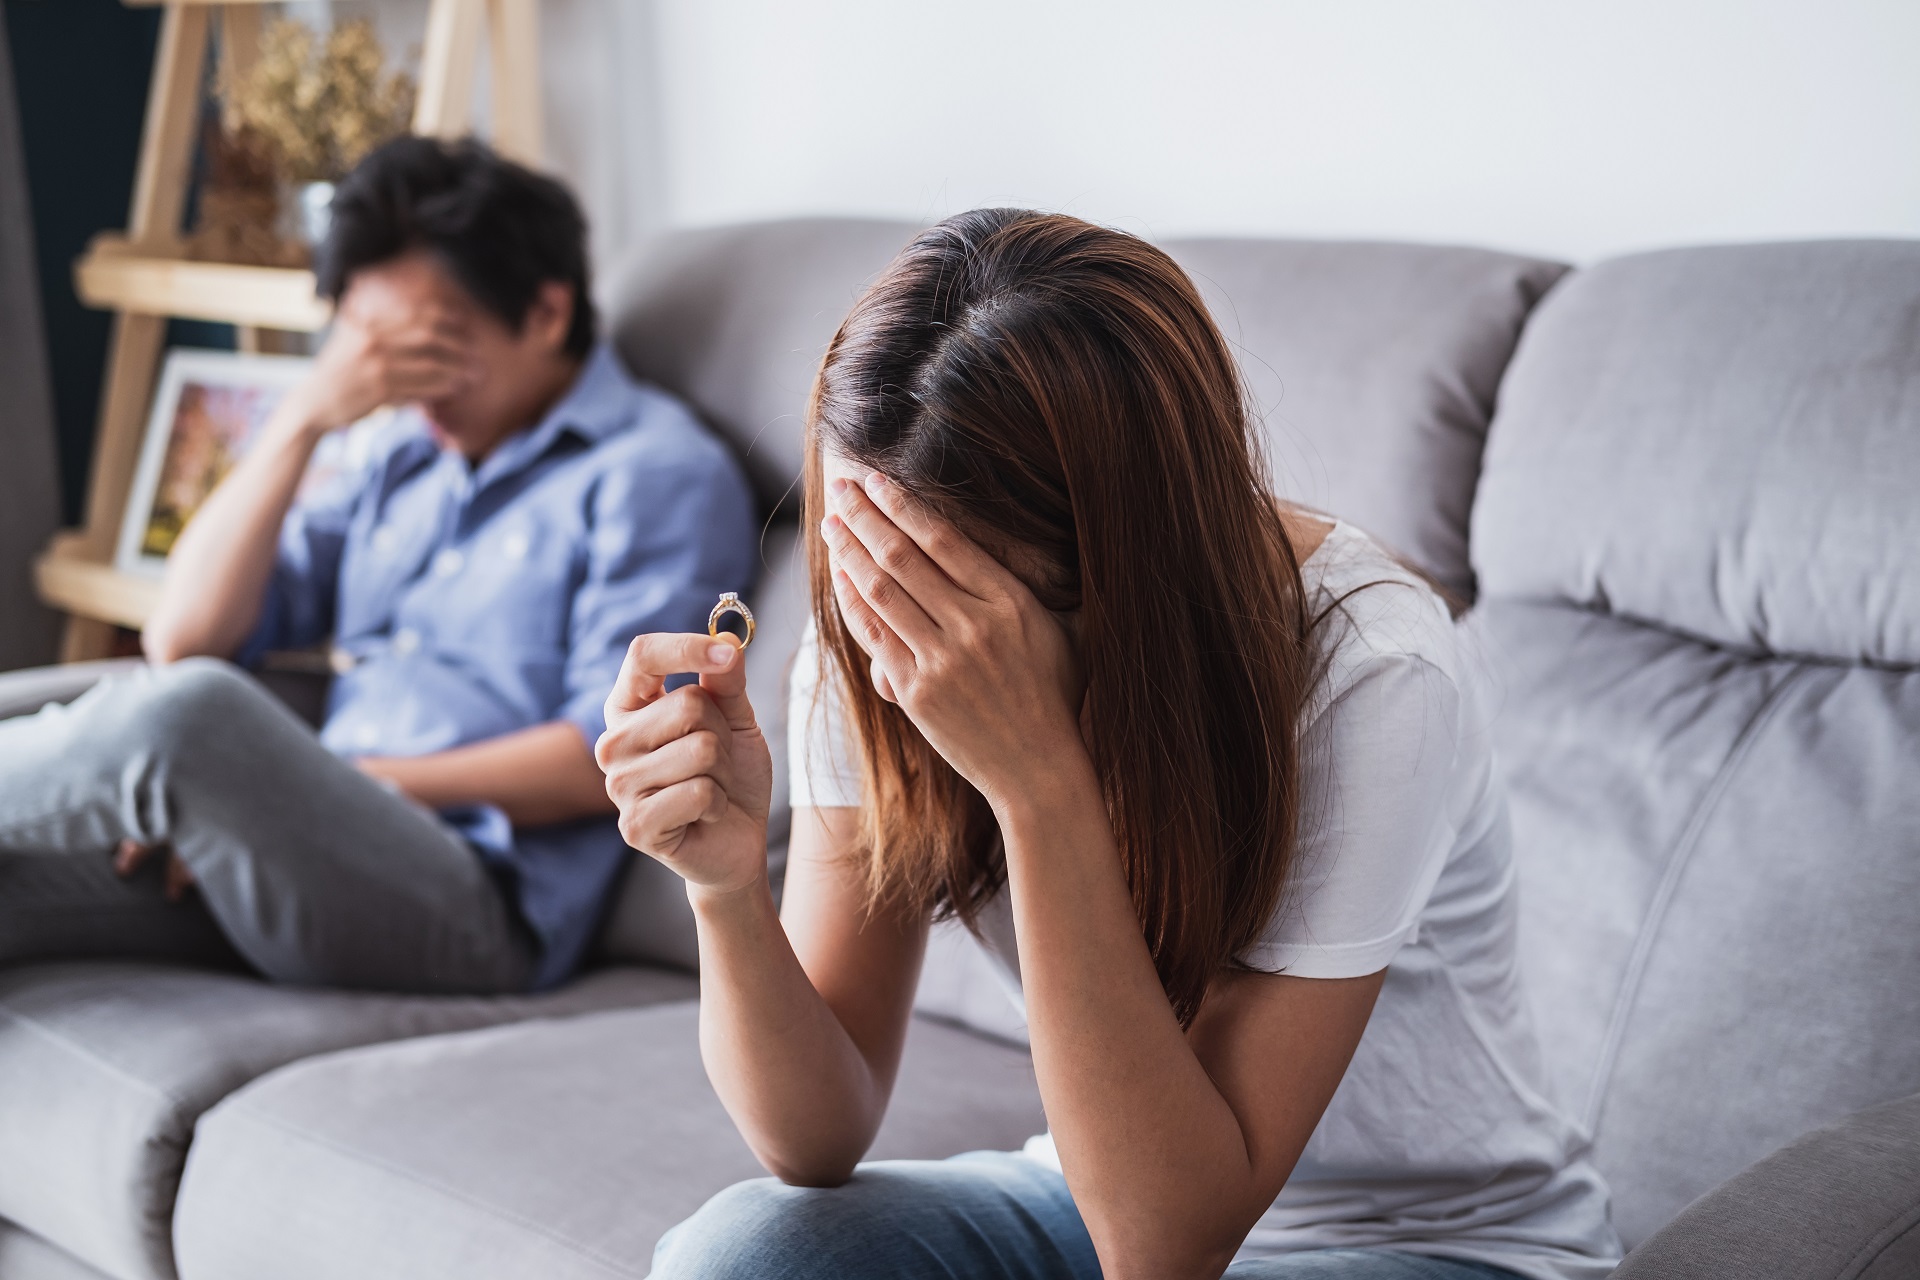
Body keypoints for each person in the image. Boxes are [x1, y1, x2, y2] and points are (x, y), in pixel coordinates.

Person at [596, 210, 1622, 1279]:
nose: (898, 618)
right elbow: (812, 1138)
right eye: (867, 549)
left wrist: (1040, 786)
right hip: (1093, 1186)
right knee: (747, 1254)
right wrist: (721, 888)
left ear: (1123, 556)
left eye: (950, 584)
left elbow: (1171, 1243)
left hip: (1430, 1245)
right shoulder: (882, 626)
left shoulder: (1370, 670)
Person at [0, 137, 757, 995]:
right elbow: (187, 631)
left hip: (466, 893)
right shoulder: (401, 455)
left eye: (432, 351)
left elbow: (613, 752)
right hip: (302, 847)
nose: (408, 388)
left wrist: (327, 787)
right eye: (379, 357)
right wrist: (304, 419)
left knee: (188, 718)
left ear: (545, 315)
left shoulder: (654, 475)